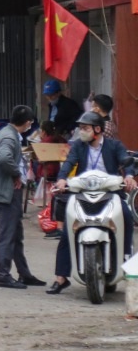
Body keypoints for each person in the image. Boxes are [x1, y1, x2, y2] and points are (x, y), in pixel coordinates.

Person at [47, 112, 138, 294]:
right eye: (81, 128)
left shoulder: (114, 145)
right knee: (68, 230)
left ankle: (127, 266)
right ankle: (61, 277)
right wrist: (62, 179)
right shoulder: (79, 146)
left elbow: (125, 162)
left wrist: (129, 176)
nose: (82, 132)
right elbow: (68, 163)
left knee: (127, 220)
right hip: (83, 194)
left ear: (97, 130)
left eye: (85, 128)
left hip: (110, 193)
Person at [0, 105, 44, 289]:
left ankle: (24, 273)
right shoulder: (9, 137)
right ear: (28, 123)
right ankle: (3, 275)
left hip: (7, 190)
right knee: (7, 234)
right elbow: (3, 159)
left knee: (15, 234)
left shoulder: (5, 133)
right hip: (7, 192)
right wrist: (15, 174)